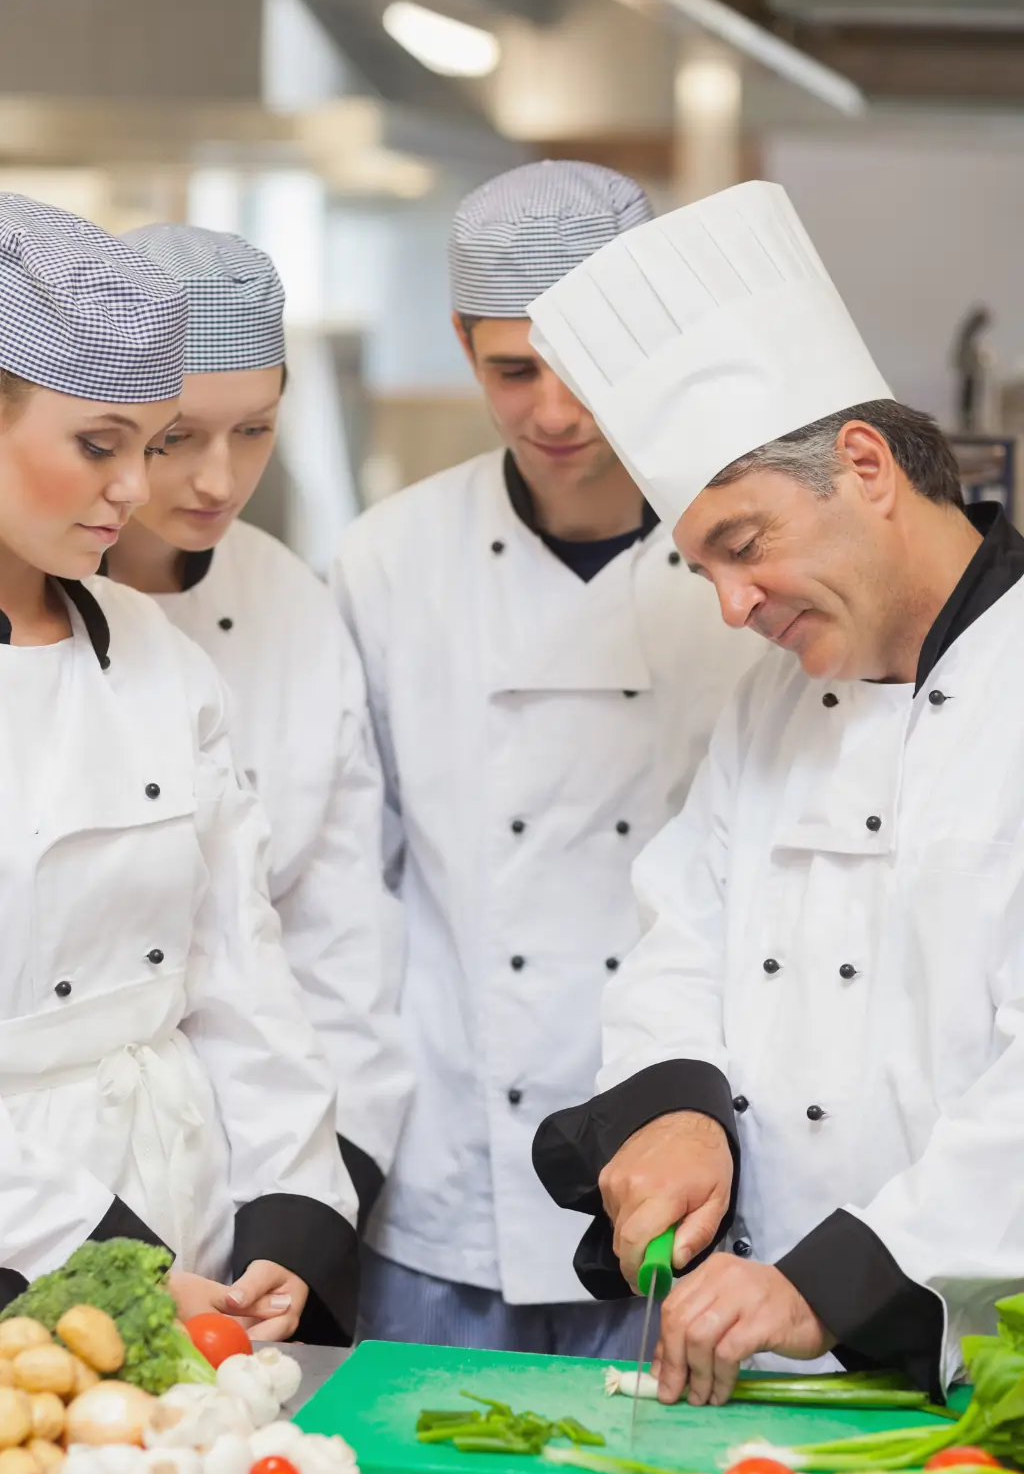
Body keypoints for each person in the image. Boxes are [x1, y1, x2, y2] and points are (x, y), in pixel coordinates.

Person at [529, 178, 1024, 1403]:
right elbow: (683, 933)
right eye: (701, 570)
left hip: (977, 1368)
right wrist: (671, 1112)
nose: (732, 607)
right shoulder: (772, 701)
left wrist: (833, 1282)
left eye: (742, 547)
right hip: (778, 1368)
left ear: (863, 465)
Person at [333, 161, 757, 1356]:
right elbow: (350, 884)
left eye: (587, 371)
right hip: (451, 1174)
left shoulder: (749, 564)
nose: (557, 413)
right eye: (513, 369)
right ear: (463, 343)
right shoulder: (389, 560)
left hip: (686, 1170)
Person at [0, 193, 359, 1342]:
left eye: (139, 445)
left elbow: (239, 969)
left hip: (183, 1228)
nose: (135, 488)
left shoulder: (157, 656)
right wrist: (104, 1262)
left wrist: (292, 1215)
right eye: (100, 445)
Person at [106, 224, 412, 1230]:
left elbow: (336, 937)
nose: (218, 481)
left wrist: (327, 1192)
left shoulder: (288, 599)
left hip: (273, 1164)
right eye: (176, 436)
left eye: (255, 430)